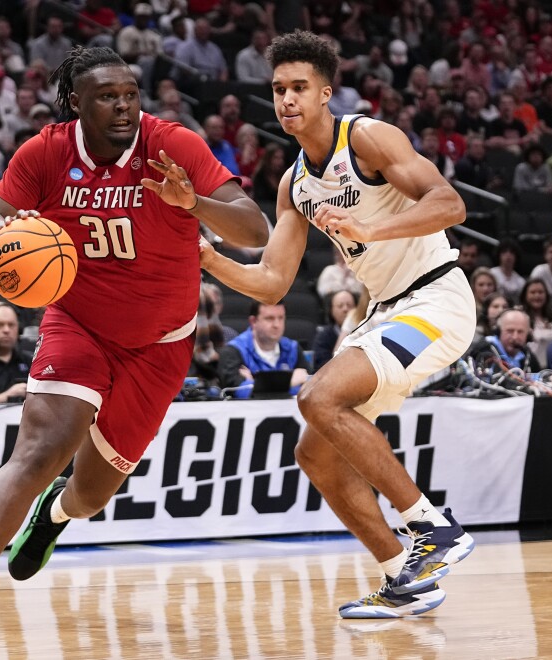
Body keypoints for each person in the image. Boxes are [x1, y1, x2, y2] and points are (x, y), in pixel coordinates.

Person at [0, 46, 267, 655]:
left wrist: (193, 205)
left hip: (160, 346)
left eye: (131, 94)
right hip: (77, 322)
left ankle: (55, 516)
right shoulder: (46, 152)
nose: (124, 105)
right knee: (40, 449)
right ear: (76, 102)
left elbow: (255, 230)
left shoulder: (172, 145)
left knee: (92, 492)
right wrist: (16, 234)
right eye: (108, 96)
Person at [198, 31, 476, 619]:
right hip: (383, 310)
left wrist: (368, 230)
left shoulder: (368, 137)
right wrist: (209, 258)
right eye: (278, 90)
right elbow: (273, 281)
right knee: (315, 453)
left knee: (317, 396)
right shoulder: (295, 184)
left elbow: (450, 204)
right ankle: (404, 577)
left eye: (300, 88)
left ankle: (433, 527)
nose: (287, 100)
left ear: (326, 93)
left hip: (435, 299)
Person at [216, 300, 311, 392]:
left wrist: (253, 384)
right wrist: (290, 382)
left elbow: (310, 391)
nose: (277, 325)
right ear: (253, 321)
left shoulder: (293, 349)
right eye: (270, 318)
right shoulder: (233, 352)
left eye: (281, 318)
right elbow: (239, 393)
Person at [468, 308, 542, 372]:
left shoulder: (527, 354)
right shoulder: (484, 349)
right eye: (510, 331)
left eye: (520, 332)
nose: (515, 337)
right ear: (499, 331)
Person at [519, 278, 552, 369]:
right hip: (533, 368)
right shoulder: (520, 316)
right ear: (525, 295)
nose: (537, 296)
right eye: (533, 292)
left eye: (541, 292)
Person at [312, 289, 357, 371]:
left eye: (349, 305)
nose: (345, 309)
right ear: (331, 310)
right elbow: (322, 369)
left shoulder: (364, 332)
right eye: (340, 306)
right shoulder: (323, 336)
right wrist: (345, 330)